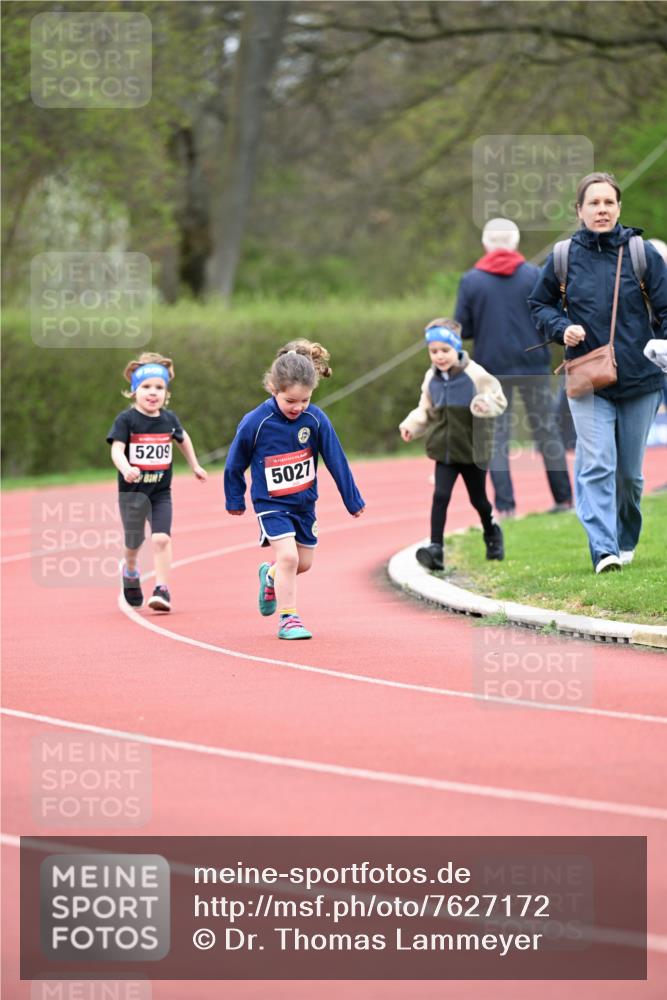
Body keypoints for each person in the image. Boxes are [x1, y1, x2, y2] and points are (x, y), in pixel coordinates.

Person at [528, 171, 667, 573]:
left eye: (608, 202)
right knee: (597, 464)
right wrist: (561, 328)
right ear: (580, 210)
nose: (601, 209)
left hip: (641, 380)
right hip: (587, 377)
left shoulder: (643, 254)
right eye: (594, 203)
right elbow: (540, 305)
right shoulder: (563, 257)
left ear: (619, 207)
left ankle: (624, 540)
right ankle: (603, 550)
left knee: (629, 477)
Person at [224, 340, 365, 640]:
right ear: (273, 389)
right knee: (287, 556)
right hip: (271, 504)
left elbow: (336, 459)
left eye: (305, 400)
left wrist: (352, 499)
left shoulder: (315, 419)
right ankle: (289, 619)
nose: (298, 407)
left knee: (303, 563)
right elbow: (235, 462)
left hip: (304, 504)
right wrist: (235, 497)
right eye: (290, 401)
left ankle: (270, 575)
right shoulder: (255, 423)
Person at [455, 218, 573, 518]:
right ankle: (564, 500)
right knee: (547, 431)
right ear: (515, 242)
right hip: (534, 363)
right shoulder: (534, 275)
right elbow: (549, 317)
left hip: (492, 367)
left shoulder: (471, 281)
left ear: (486, 244)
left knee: (497, 437)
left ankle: (506, 508)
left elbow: (463, 328)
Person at [399, 318, 507, 570]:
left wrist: (484, 404)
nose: (439, 356)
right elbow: (424, 408)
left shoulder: (475, 374)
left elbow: (498, 400)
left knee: (478, 500)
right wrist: (411, 426)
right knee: (440, 495)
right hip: (444, 450)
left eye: (445, 350)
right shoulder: (431, 378)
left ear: (457, 347)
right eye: (433, 351)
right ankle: (436, 548)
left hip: (472, 450)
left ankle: (491, 532)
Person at [107, 352, 207, 611]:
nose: (153, 393)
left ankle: (162, 589)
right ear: (133, 391)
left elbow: (183, 439)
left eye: (159, 387)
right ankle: (130, 571)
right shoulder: (126, 420)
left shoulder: (169, 419)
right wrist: (126, 466)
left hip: (161, 492)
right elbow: (116, 449)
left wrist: (194, 465)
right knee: (135, 541)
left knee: (161, 539)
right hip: (133, 493)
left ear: (166, 392)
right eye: (146, 387)